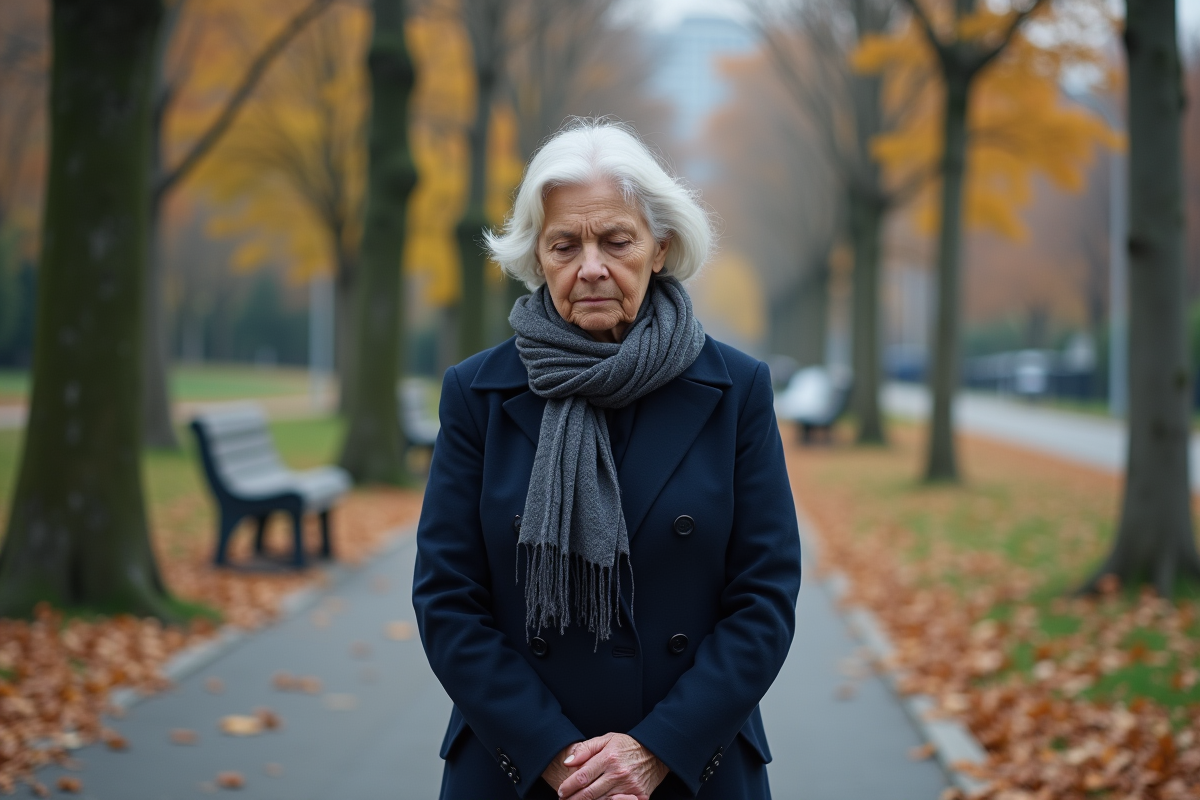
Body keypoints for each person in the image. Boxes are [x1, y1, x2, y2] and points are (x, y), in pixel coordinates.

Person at [412, 119, 802, 800]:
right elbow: (448, 601)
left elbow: (764, 598)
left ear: (660, 248)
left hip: (690, 765)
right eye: (564, 244)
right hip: (520, 769)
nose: (590, 265)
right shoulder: (476, 394)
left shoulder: (737, 391)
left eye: (616, 241)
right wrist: (554, 753)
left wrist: (657, 749)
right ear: (539, 257)